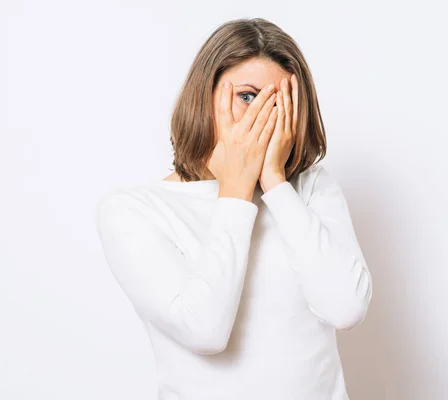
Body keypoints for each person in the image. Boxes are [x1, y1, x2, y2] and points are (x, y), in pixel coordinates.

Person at [95, 17, 373, 400]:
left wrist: (274, 182)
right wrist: (236, 188)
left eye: (280, 102)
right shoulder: (134, 210)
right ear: (205, 96)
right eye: (247, 96)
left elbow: (346, 308)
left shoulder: (310, 189)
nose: (264, 115)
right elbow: (204, 331)